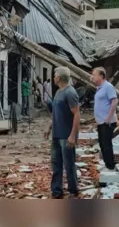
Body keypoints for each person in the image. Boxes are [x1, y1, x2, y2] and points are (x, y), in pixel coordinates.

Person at [44, 67, 80, 199]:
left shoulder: (70, 93)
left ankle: (73, 191)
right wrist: (49, 128)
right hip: (56, 134)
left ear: (58, 78)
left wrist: (72, 136)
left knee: (69, 164)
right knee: (56, 164)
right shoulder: (59, 92)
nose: (53, 77)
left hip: (66, 136)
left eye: (54, 75)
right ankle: (56, 191)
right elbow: (56, 114)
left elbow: (76, 114)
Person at [90, 67, 118, 170]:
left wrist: (108, 118)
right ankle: (107, 164)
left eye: (94, 75)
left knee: (106, 144)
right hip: (101, 122)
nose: (92, 77)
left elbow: (114, 102)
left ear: (101, 76)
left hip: (107, 122)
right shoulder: (99, 87)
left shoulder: (108, 87)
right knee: (102, 143)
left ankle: (110, 166)